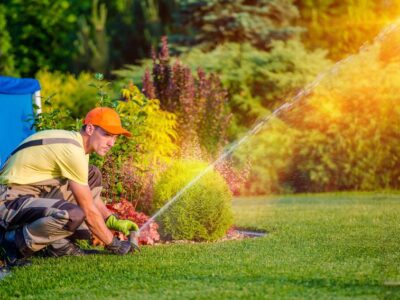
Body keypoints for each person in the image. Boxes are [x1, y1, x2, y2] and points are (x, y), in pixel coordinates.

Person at [0, 107, 139, 268]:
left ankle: (57, 247)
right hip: (8, 201)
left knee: (92, 174)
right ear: (90, 128)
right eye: (107, 135)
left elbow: (88, 196)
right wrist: (113, 244)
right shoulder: (71, 150)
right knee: (73, 216)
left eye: (115, 138)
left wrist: (110, 220)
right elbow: (87, 209)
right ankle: (10, 244)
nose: (111, 143)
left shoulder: (78, 147)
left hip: (29, 195)